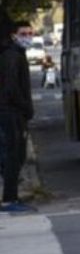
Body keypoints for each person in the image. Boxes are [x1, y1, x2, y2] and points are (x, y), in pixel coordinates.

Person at [0, 16, 36, 213]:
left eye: (30, 34)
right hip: (12, 112)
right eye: (23, 34)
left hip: (13, 111)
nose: (27, 38)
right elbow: (12, 88)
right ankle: (9, 199)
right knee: (15, 155)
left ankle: (11, 196)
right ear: (14, 36)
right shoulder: (13, 57)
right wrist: (26, 108)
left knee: (15, 155)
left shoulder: (14, 55)